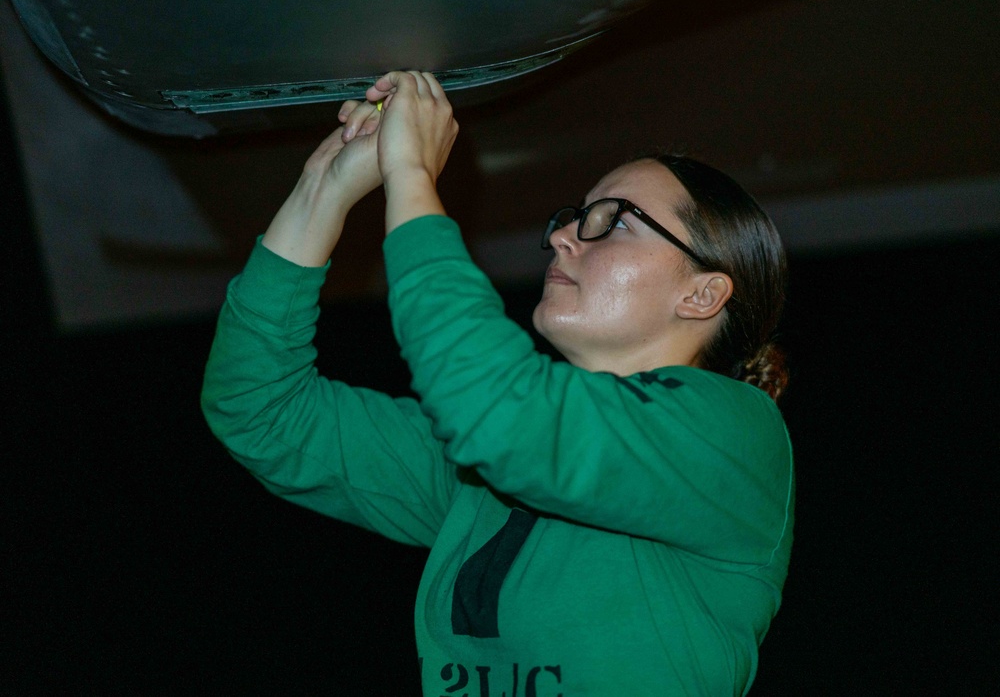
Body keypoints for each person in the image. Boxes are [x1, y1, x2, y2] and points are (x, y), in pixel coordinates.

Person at [202, 71, 794, 695]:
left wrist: (411, 174)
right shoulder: (482, 474)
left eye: (615, 221)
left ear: (702, 294)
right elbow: (260, 408)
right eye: (575, 217)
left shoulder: (733, 438)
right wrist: (326, 187)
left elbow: (497, 407)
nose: (563, 235)